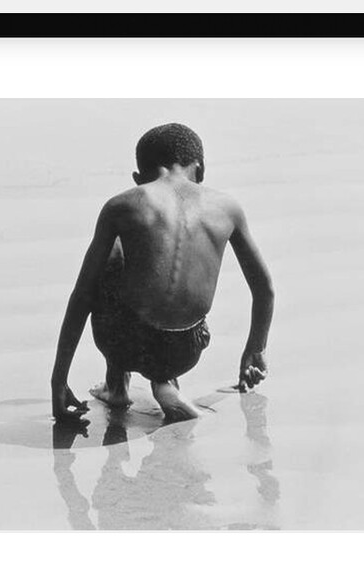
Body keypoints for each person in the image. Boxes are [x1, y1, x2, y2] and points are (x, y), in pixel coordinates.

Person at [51, 123, 274, 422]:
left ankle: (117, 385)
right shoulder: (227, 207)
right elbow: (264, 288)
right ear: (201, 169)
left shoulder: (122, 205)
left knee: (113, 253)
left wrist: (59, 379)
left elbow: (83, 295)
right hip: (186, 351)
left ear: (138, 179)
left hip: (126, 345)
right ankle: (165, 383)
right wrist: (254, 350)